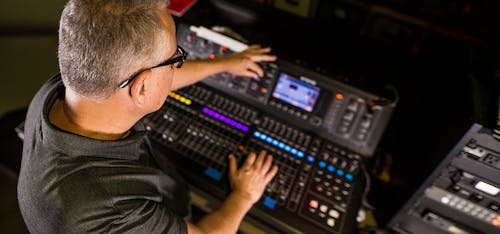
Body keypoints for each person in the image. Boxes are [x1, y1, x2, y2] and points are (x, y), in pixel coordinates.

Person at [17, 0, 278, 233]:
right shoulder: (112, 208)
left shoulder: (61, 91)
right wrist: (244, 195)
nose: (177, 67)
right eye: (176, 60)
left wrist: (223, 64)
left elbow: (146, 78)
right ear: (141, 88)